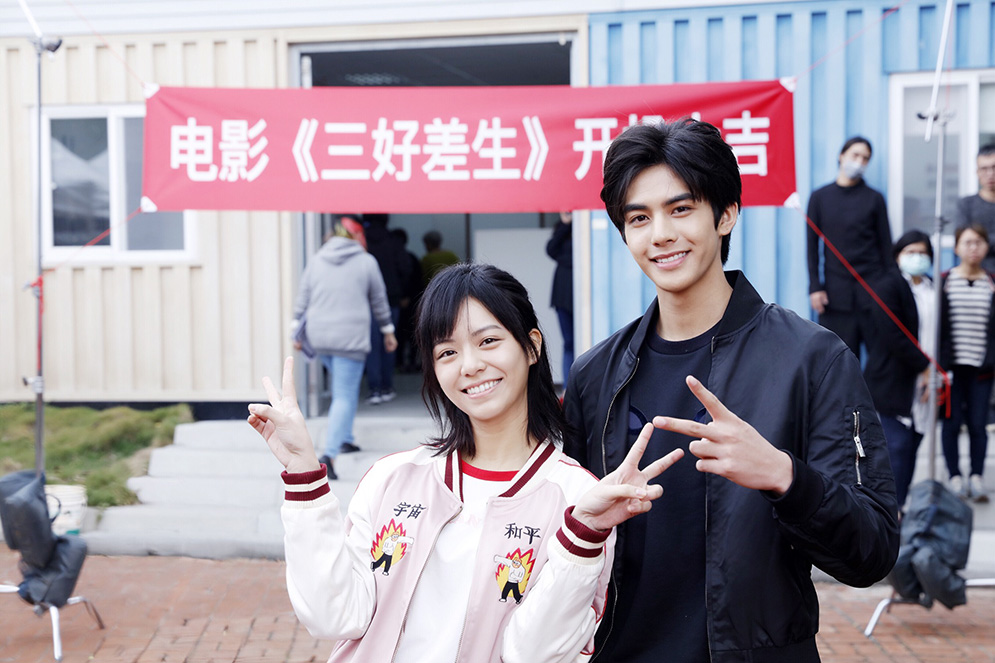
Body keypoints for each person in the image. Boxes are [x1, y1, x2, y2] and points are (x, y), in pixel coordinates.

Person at [562, 119, 899, 662]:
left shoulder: (812, 360)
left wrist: (786, 477)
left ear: (726, 215)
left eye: (680, 209)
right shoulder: (594, 375)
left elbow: (872, 552)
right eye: (639, 218)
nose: (660, 234)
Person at [248, 263, 685, 663]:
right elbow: (333, 614)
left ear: (532, 346)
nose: (470, 366)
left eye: (488, 341)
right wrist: (304, 478)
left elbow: (534, 654)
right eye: (447, 352)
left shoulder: (579, 499)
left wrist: (583, 536)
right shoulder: (393, 477)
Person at [291, 216, 397, 480]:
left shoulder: (317, 259)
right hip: (349, 338)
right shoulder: (366, 261)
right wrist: (388, 330)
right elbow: (379, 299)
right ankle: (329, 455)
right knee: (344, 396)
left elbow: (303, 295)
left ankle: (345, 438)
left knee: (341, 387)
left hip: (319, 337)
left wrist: (295, 329)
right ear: (358, 236)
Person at [863, 232, 931, 511]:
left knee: (914, 441)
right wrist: (924, 365)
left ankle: (900, 504)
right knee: (897, 445)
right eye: (910, 252)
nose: (917, 257)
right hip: (893, 379)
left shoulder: (932, 289)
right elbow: (893, 334)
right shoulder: (888, 285)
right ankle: (889, 508)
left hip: (927, 382)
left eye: (922, 252)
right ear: (898, 256)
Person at [806, 136, 893, 358]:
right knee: (837, 359)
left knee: (880, 360)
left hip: (872, 293)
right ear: (841, 156)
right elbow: (812, 246)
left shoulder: (874, 198)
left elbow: (886, 246)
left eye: (865, 158)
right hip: (835, 296)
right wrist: (815, 287)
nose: (859, 162)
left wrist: (889, 289)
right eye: (855, 155)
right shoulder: (820, 197)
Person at [939, 223, 994, 503]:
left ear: (986, 247)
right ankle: (955, 476)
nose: (974, 247)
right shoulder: (945, 281)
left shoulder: (991, 282)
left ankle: (976, 476)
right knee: (951, 423)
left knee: (978, 423)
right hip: (951, 368)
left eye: (979, 242)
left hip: (982, 368)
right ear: (957, 247)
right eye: (968, 242)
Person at [362, 214, 410, 405]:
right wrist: (402, 292)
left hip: (366, 301)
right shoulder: (393, 242)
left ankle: (374, 389)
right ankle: (387, 387)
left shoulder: (362, 241)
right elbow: (405, 268)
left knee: (371, 346)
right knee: (389, 344)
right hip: (391, 299)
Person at [955, 143, 995, 272]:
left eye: (994, 167)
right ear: (977, 172)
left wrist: (982, 241)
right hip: (977, 275)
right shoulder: (966, 204)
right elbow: (964, 241)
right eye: (984, 169)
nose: (990, 173)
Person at [546, 211, 574, 385]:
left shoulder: (588, 227)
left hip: (584, 298)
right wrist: (565, 223)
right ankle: (567, 386)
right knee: (569, 343)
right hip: (563, 296)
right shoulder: (562, 229)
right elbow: (551, 249)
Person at [391, 227, 424, 373]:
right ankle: (412, 362)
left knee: (398, 334)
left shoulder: (390, 259)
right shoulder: (412, 258)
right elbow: (418, 282)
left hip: (396, 302)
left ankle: (399, 363)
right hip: (412, 302)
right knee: (411, 334)